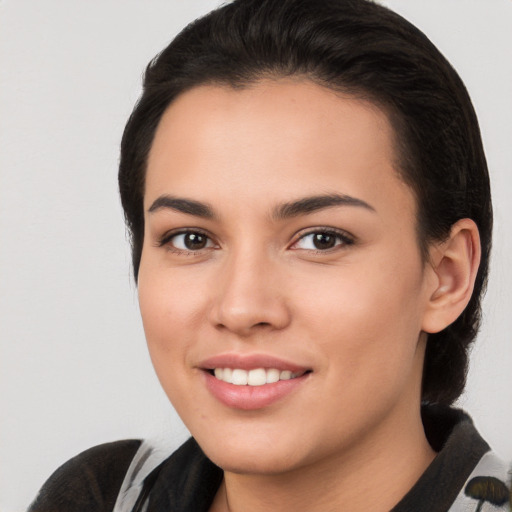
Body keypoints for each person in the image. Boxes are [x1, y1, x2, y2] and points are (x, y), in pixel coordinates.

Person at [28, 0, 511, 511]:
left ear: (446, 276)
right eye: (192, 239)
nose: (241, 308)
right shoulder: (99, 497)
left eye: (321, 239)